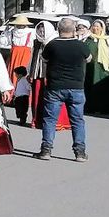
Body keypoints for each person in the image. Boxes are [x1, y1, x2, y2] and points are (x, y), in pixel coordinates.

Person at [36, 17, 91, 161]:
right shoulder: (81, 45)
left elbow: (44, 59)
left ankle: (46, 150)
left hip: (55, 87)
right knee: (78, 120)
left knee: (49, 119)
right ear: (73, 30)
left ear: (59, 30)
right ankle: (80, 152)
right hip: (76, 87)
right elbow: (89, 58)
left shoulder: (52, 45)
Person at [83, 19, 109, 115]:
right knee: (91, 88)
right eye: (94, 26)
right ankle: (92, 107)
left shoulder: (107, 40)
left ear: (102, 28)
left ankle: (103, 107)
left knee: (103, 88)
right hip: (90, 68)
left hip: (103, 69)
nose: (95, 28)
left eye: (98, 26)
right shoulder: (87, 39)